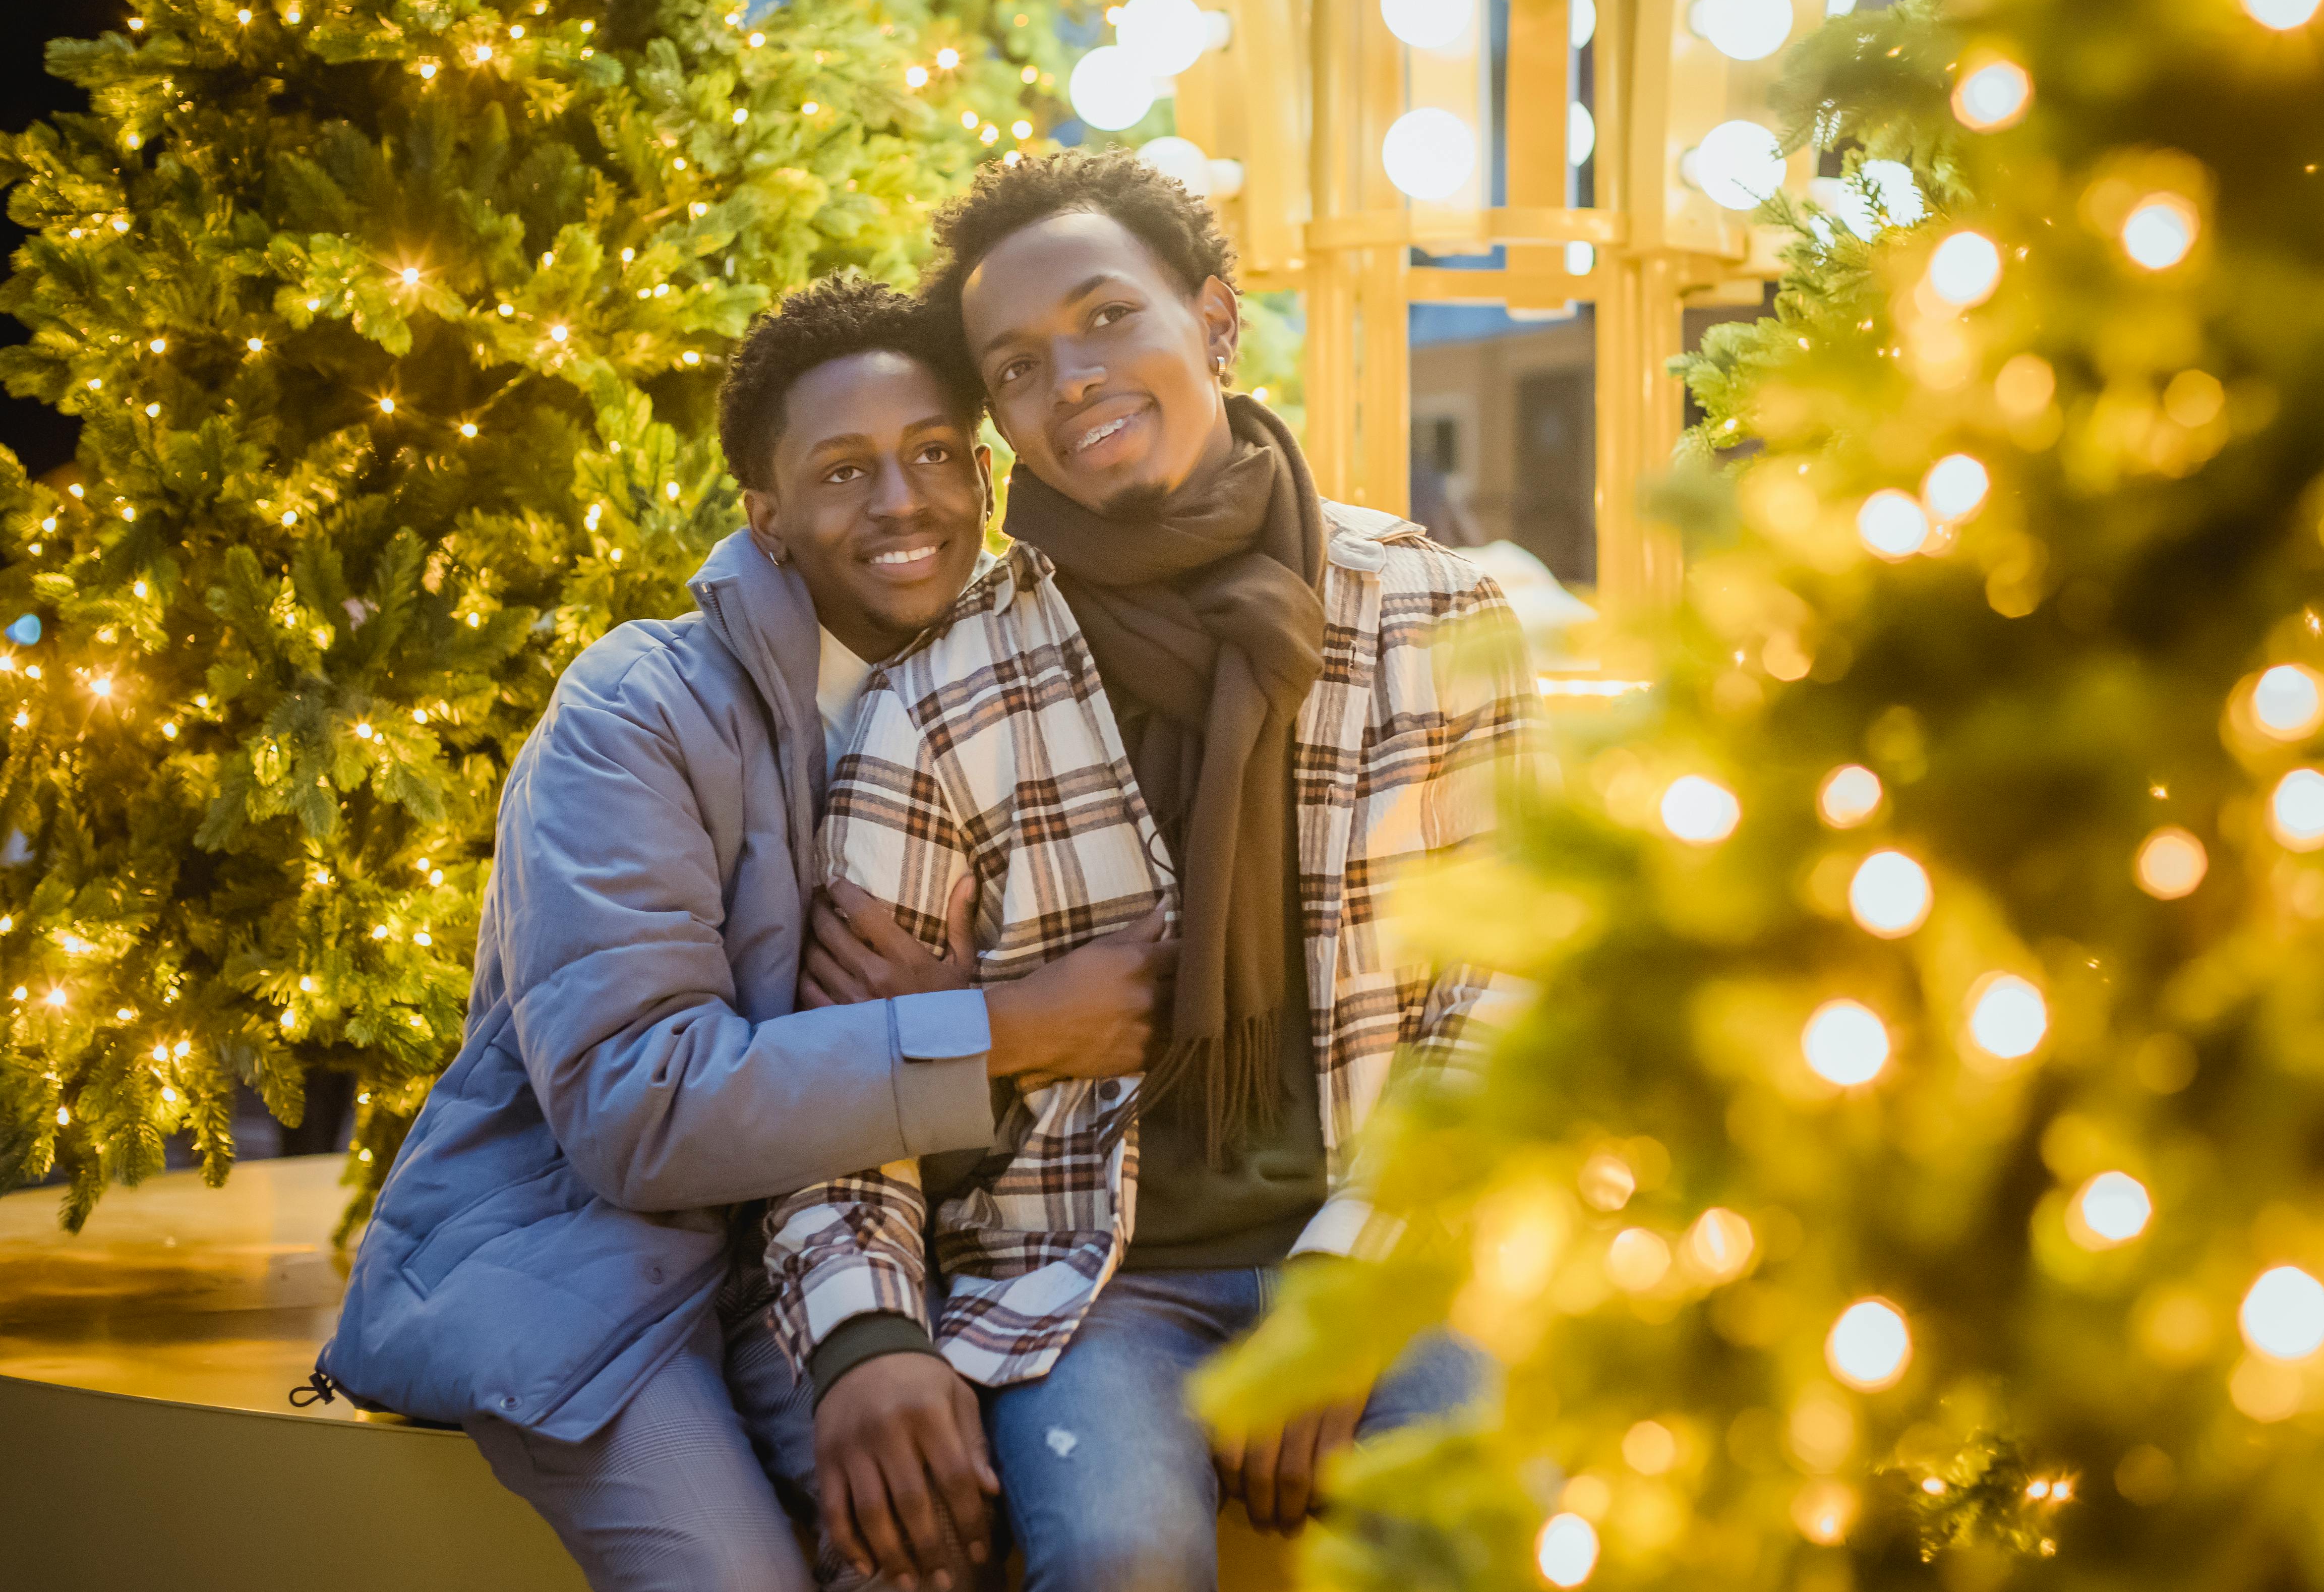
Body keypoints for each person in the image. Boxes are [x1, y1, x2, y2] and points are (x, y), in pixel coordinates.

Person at [315, 275, 1173, 1592]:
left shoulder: (1012, 706)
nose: (903, 500)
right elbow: (634, 1105)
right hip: (596, 1259)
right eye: (843, 470)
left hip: (842, 1257)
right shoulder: (635, 711)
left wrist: (960, 1054)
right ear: (765, 518)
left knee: (932, 1541)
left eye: (935, 451)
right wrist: (999, 1026)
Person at [774, 150, 1541, 1592]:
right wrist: (863, 1335)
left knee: (1472, 1536)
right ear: (998, 418)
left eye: (1107, 316)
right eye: (1015, 364)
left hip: (1390, 1244)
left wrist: (1355, 1269)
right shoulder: (939, 699)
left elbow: (1509, 993)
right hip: (1084, 1284)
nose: (1069, 375)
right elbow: (842, 1086)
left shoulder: (1430, 609)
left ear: (1214, 317)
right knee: (1120, 1554)